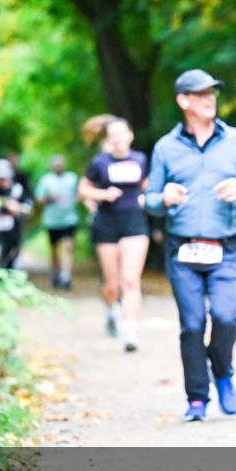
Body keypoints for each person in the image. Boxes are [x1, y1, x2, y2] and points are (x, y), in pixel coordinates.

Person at [145, 69, 236, 422]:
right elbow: (149, 199)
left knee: (226, 318)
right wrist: (162, 197)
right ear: (183, 101)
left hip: (224, 248)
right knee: (193, 325)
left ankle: (223, 372)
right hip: (182, 251)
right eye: (200, 94)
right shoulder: (165, 147)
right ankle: (197, 398)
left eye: (212, 92)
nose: (210, 98)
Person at [79, 114, 150, 352]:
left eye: (123, 134)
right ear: (109, 140)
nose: (119, 139)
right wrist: (103, 195)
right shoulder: (100, 163)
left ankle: (130, 331)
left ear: (131, 135)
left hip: (134, 222)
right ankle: (112, 310)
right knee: (113, 285)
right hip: (107, 223)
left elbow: (147, 185)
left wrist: (147, 197)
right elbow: (83, 191)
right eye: (114, 135)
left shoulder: (141, 159)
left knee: (131, 280)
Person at [35, 155, 79, 290]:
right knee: (54, 249)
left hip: (69, 219)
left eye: (60, 164)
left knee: (68, 247)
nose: (58, 166)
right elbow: (38, 200)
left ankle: (66, 276)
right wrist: (48, 198)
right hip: (52, 220)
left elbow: (80, 194)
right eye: (56, 164)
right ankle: (56, 274)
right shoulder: (46, 180)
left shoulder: (72, 178)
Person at [0, 158, 33, 269]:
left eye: (5, 179)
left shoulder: (18, 190)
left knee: (12, 257)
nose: (3, 182)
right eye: (0, 179)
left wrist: (18, 208)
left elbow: (29, 208)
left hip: (13, 232)